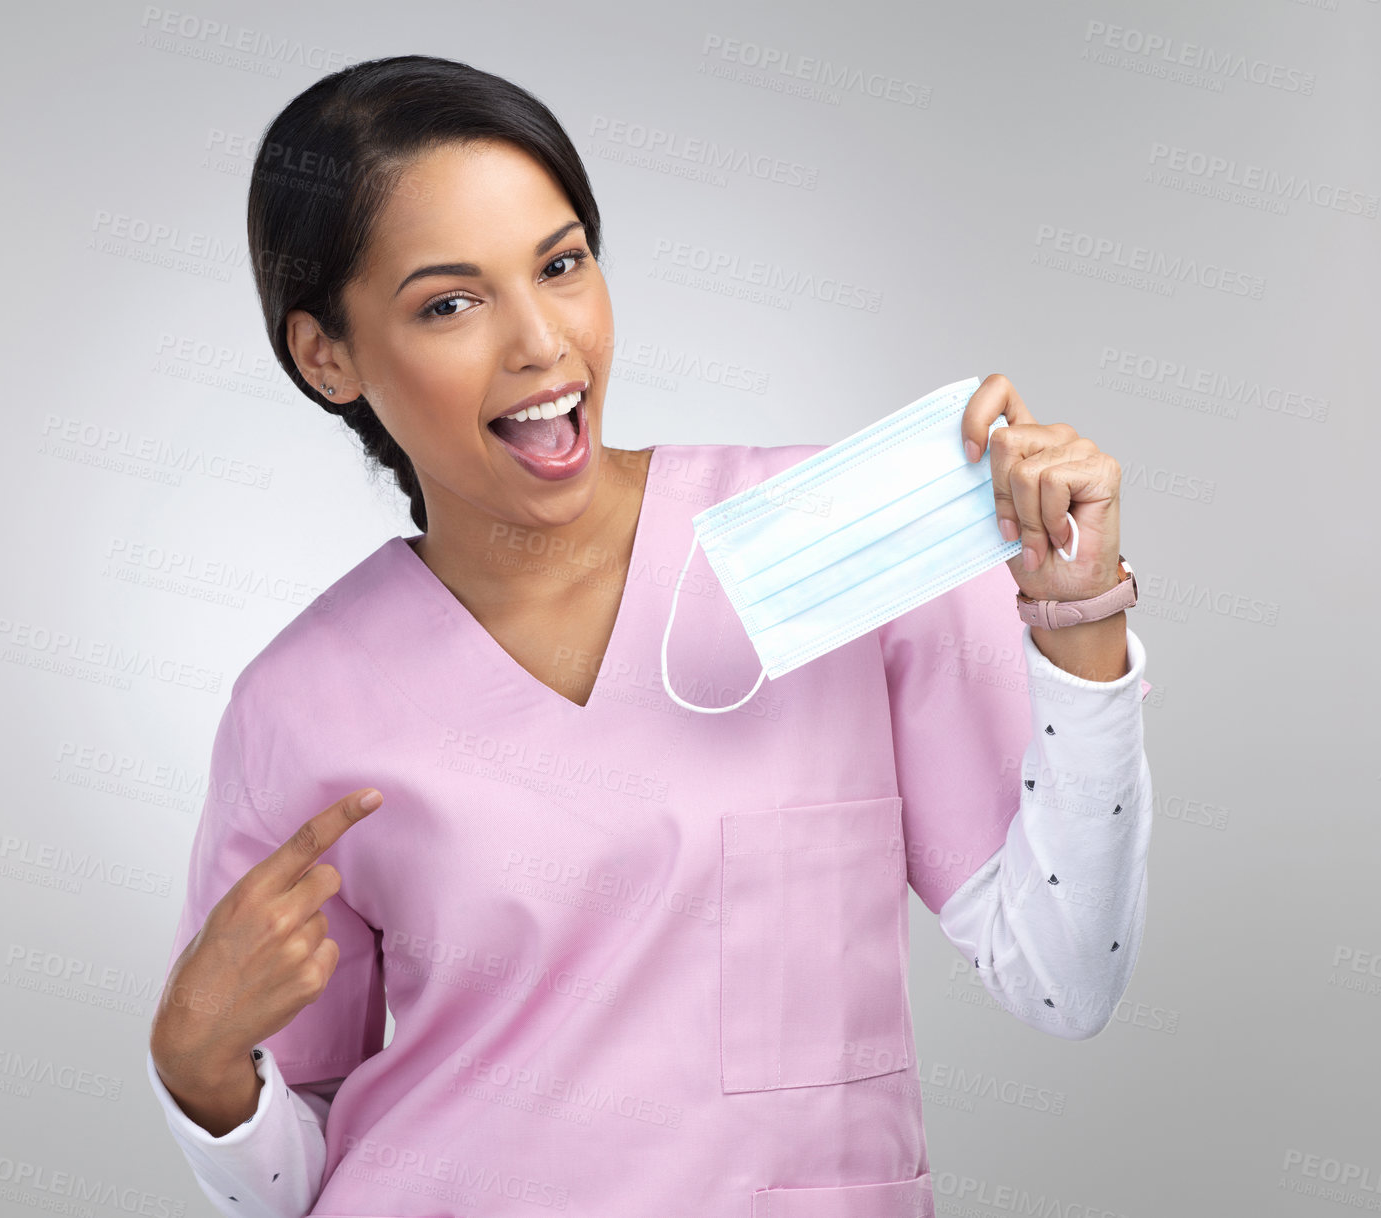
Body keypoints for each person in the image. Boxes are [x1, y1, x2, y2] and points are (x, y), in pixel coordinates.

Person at [145, 54, 1154, 1218]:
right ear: (327, 354)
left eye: (562, 264)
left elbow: (1065, 977)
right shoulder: (303, 705)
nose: (541, 344)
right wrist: (200, 1072)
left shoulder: (838, 544)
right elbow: (300, 1173)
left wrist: (1079, 619)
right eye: (450, 303)